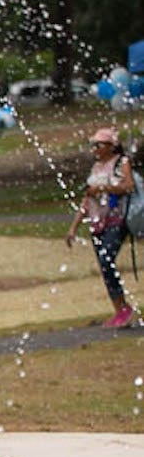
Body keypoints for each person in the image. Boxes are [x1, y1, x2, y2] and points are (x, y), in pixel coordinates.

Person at [65, 126, 136, 328]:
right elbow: (86, 201)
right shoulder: (96, 168)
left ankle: (124, 309)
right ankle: (120, 309)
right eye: (93, 144)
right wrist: (74, 228)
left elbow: (128, 186)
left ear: (111, 146)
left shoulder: (122, 163)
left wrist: (104, 187)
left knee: (106, 260)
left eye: (99, 144)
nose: (95, 148)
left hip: (117, 220)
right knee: (105, 267)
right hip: (97, 223)